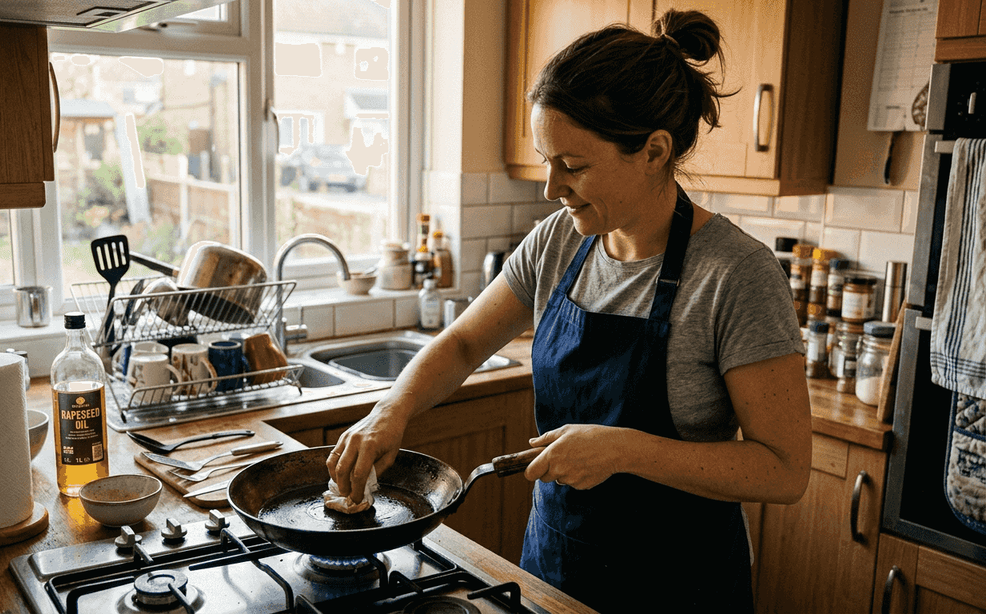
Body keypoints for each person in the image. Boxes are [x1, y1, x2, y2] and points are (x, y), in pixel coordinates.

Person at [326, 9, 811, 612]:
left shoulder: (736, 275)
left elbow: (784, 470)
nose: (551, 188)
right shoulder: (560, 242)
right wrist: (390, 411)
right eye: (545, 160)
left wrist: (622, 449)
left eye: (572, 165)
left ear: (655, 151)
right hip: (556, 565)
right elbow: (463, 345)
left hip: (679, 584)